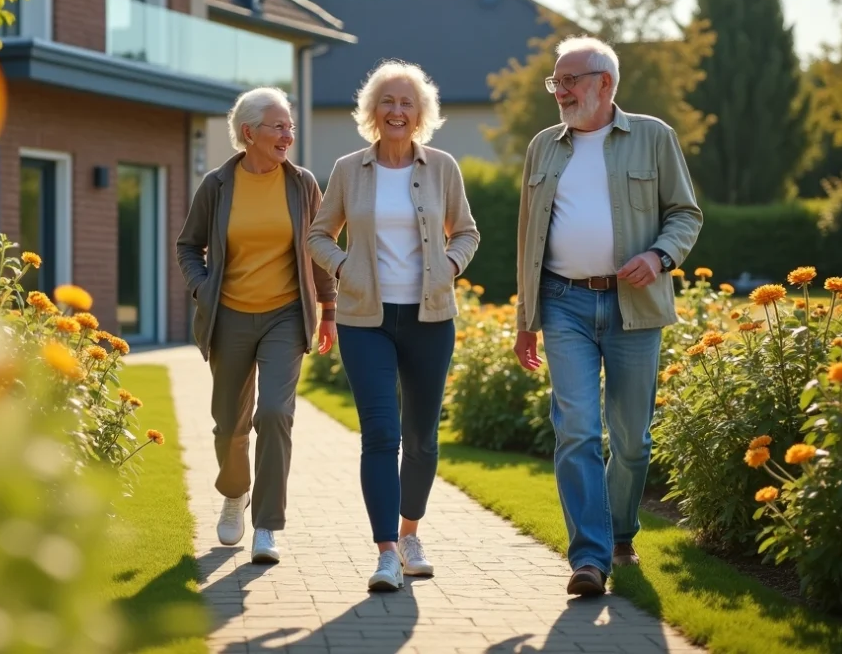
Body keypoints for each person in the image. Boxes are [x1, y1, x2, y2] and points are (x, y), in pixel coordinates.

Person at [511, 36, 702, 597]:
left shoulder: (652, 136)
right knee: (576, 429)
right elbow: (528, 236)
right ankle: (589, 559)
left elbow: (685, 213)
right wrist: (526, 319)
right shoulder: (543, 147)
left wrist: (659, 255)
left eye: (570, 80)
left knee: (633, 440)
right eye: (556, 81)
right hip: (562, 301)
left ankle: (621, 532)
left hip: (634, 307)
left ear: (605, 83)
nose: (560, 91)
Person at [308, 59, 480, 591]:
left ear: (421, 113)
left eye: (407, 103)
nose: (397, 111)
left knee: (422, 437)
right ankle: (385, 552)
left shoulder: (443, 168)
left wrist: (450, 266)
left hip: (430, 318)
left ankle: (411, 535)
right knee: (381, 434)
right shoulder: (347, 169)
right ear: (372, 111)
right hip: (367, 320)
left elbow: (467, 233)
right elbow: (318, 234)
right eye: (388, 101)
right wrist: (343, 267)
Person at [176, 86, 337, 565]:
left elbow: (319, 245)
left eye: (290, 126)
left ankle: (267, 525)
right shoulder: (217, 186)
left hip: (286, 314)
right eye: (279, 126)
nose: (288, 134)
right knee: (229, 424)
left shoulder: (303, 183)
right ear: (249, 133)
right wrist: (204, 288)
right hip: (228, 314)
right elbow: (189, 246)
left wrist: (327, 309)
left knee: (274, 413)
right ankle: (233, 493)